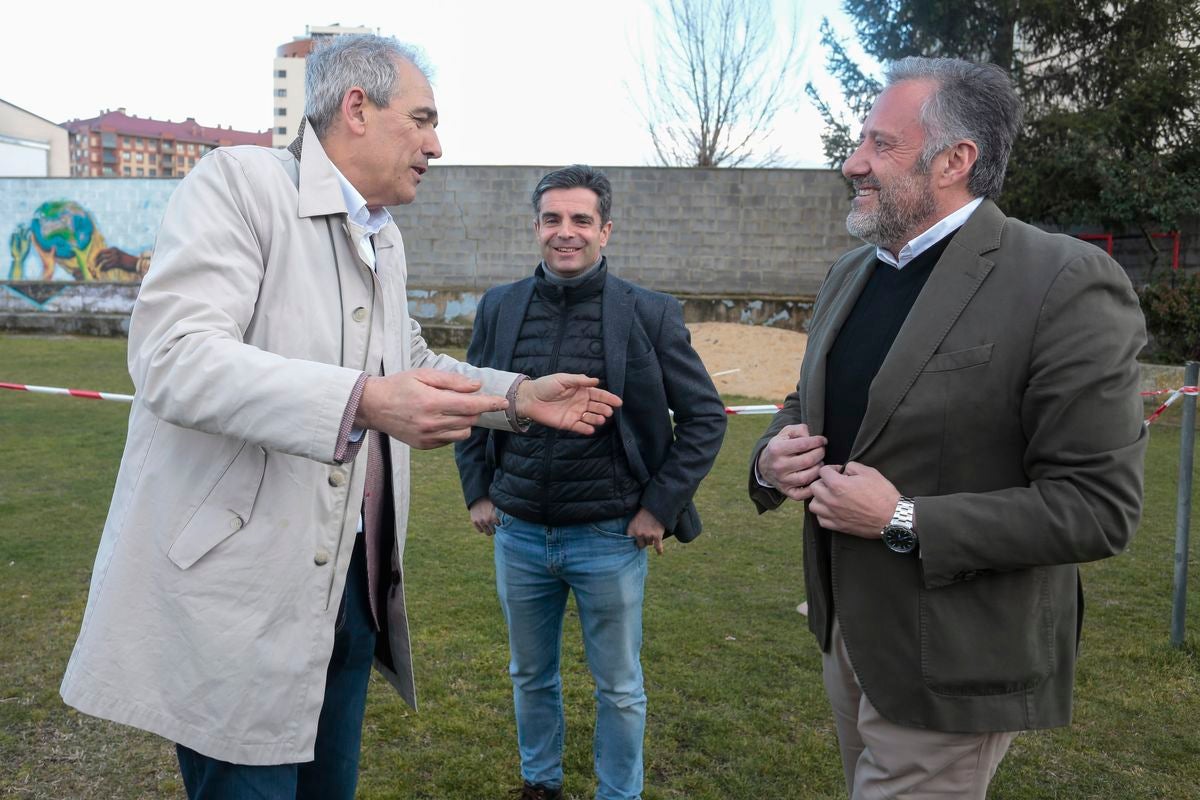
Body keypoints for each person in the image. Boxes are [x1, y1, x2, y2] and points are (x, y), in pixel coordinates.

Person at [59, 35, 621, 800]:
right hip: (241, 602)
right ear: (357, 108)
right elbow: (174, 358)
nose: (436, 144)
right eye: (422, 119)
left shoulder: (382, 237)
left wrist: (516, 396)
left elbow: (410, 359)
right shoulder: (241, 184)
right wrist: (360, 399)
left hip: (350, 595)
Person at [749, 57, 1147, 799]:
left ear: (954, 161)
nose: (853, 162)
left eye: (879, 144)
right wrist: (775, 457)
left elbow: (1098, 507)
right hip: (849, 639)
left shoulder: (1061, 282)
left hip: (956, 657)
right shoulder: (852, 273)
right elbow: (813, 403)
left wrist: (900, 518)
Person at [455, 165, 727, 800]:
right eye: (553, 219)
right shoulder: (500, 306)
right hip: (518, 534)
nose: (565, 232)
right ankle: (539, 785)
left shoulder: (649, 312)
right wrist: (479, 491)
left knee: (620, 687)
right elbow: (470, 400)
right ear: (537, 228)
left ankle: (618, 793)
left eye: (581, 220)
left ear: (607, 230)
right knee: (530, 675)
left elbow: (705, 417)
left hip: (609, 536)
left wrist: (659, 508)